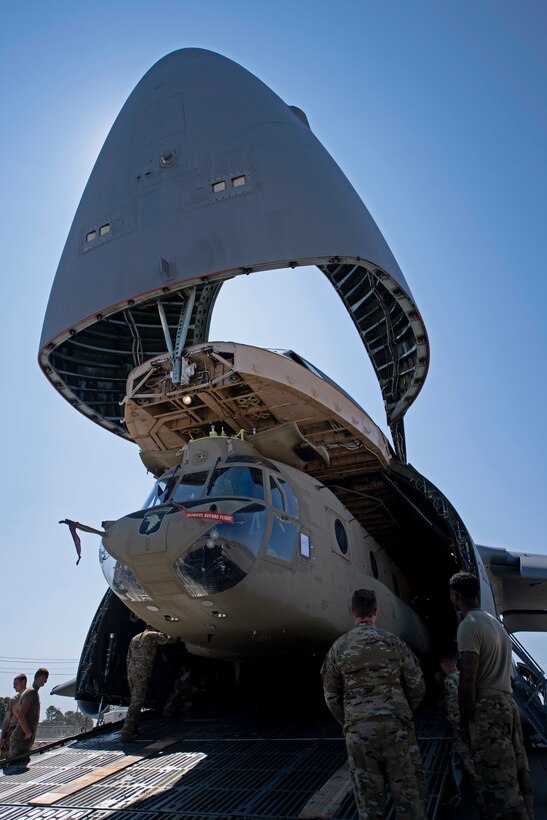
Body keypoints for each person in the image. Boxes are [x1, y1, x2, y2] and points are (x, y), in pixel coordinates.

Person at [321, 588, 427, 819]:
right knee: (410, 800)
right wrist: (402, 712)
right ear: (376, 611)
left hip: (359, 732)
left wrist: (351, 720)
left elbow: (331, 695)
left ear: (352, 611)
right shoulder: (394, 643)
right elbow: (417, 685)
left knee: (370, 806)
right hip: (397, 728)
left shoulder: (339, 647)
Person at [449, 571, 534, 819]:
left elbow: (468, 678)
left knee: (497, 783)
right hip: (507, 704)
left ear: (455, 596)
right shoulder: (496, 625)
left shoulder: (468, 626)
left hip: (487, 710)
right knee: (518, 776)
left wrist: (464, 719)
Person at [122, 625, 176, 742]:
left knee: (135, 701)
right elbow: (169, 639)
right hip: (142, 673)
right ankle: (127, 733)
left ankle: (133, 730)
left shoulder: (135, 638)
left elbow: (128, 658)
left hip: (132, 673)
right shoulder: (152, 635)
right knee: (136, 703)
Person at [6, 668, 49, 770]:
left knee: (18, 766)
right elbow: (21, 714)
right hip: (21, 739)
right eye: (45, 679)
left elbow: (15, 710)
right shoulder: (32, 692)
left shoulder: (28, 691)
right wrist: (27, 731)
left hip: (21, 738)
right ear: (41, 677)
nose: (45, 682)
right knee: (17, 768)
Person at [0, 674, 27, 758]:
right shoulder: (13, 700)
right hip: (11, 734)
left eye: (16, 684)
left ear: (23, 682)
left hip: (23, 734)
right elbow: (7, 720)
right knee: (6, 759)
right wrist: (1, 737)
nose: (13, 686)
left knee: (20, 759)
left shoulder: (31, 697)